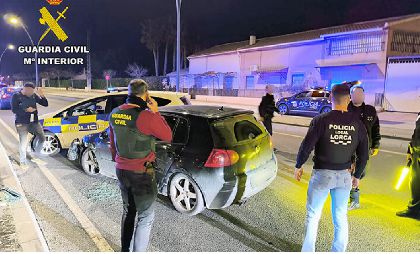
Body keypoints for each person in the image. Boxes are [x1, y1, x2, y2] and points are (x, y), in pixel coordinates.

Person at [294, 84, 369, 252]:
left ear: (330, 98)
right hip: (344, 176)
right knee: (340, 217)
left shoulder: (321, 120)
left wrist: (299, 165)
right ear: (349, 100)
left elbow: (306, 146)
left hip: (322, 174)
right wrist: (357, 175)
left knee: (313, 216)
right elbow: (364, 154)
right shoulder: (357, 124)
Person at [108, 79, 172, 252]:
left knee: (128, 211)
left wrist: (119, 160)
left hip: (122, 170)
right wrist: (156, 111)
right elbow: (167, 135)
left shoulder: (115, 112)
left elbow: (113, 143)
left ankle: (125, 250)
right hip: (141, 174)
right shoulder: (146, 116)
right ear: (146, 94)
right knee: (145, 217)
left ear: (129, 93)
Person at [347, 85, 381, 210]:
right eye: (356, 94)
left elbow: (375, 129)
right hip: (348, 147)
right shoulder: (345, 109)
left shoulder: (370, 110)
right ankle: (352, 199)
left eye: (361, 94)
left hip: (364, 147)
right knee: (349, 173)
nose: (358, 96)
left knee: (360, 172)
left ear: (364, 95)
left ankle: (352, 196)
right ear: (351, 96)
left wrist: (375, 145)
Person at [11, 83, 48, 169]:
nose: (31, 92)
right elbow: (14, 110)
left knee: (42, 138)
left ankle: (35, 156)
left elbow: (45, 104)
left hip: (34, 122)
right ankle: (23, 161)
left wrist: (42, 95)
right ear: (25, 89)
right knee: (23, 142)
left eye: (33, 91)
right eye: (30, 91)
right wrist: (26, 110)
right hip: (21, 123)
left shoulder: (34, 95)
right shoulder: (16, 96)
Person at [396, 112, 420, 219]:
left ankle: (414, 210)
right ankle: (414, 209)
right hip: (416, 153)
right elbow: (416, 133)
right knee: (415, 183)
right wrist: (410, 149)